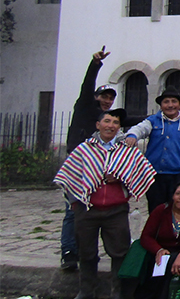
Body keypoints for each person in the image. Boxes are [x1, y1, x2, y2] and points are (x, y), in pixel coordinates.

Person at [53, 108, 156, 299]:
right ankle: (86, 290)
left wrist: (121, 178)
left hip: (116, 210)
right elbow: (70, 175)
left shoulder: (127, 150)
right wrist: (76, 204)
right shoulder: (85, 149)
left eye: (115, 123)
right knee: (86, 252)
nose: (111, 126)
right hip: (87, 210)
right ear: (98, 125)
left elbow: (141, 173)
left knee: (119, 252)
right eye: (107, 121)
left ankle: (117, 291)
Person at [62, 48, 115, 271]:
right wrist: (95, 64)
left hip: (97, 168)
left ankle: (88, 254)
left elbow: (128, 118)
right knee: (73, 210)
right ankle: (69, 252)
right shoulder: (84, 106)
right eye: (104, 96)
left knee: (91, 211)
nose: (107, 100)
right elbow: (87, 85)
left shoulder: (107, 120)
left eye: (110, 98)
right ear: (96, 97)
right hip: (77, 166)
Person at [126, 87, 180, 213]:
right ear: (161, 105)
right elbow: (139, 129)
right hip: (155, 175)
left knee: (177, 209)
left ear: (179, 104)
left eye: (173, 101)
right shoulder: (153, 121)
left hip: (179, 174)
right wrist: (132, 135)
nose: (170, 105)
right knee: (156, 210)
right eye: (166, 102)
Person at [133, 181, 180, 299]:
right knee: (162, 263)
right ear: (173, 196)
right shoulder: (161, 210)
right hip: (163, 251)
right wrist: (158, 250)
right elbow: (146, 236)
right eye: (178, 194)